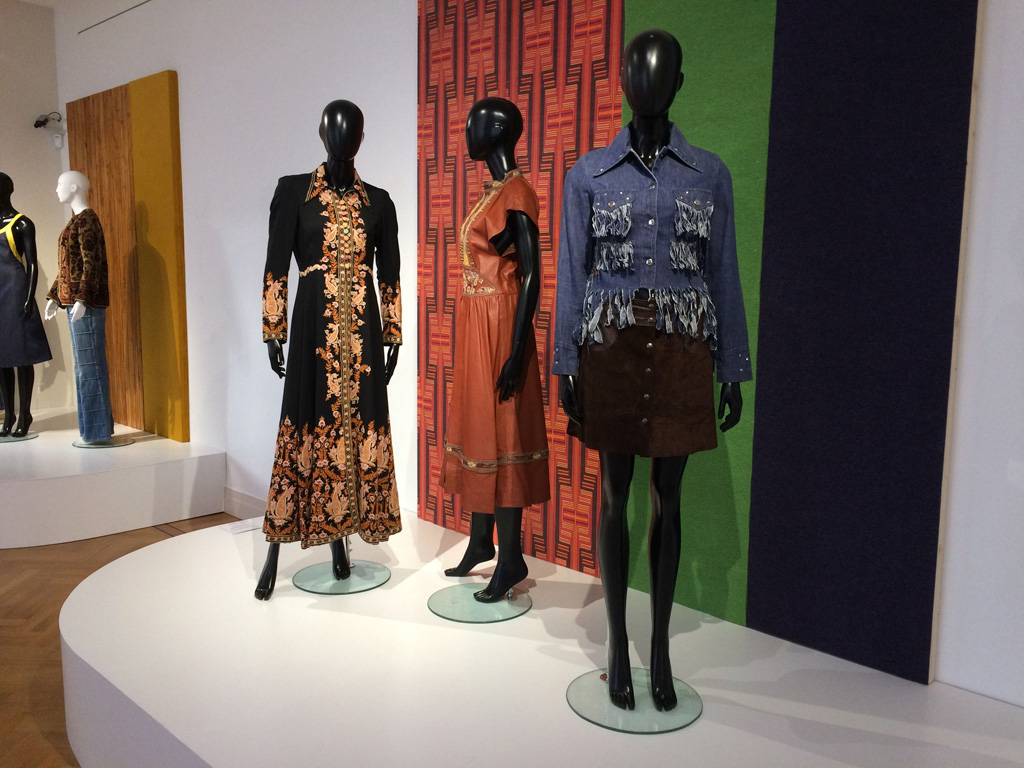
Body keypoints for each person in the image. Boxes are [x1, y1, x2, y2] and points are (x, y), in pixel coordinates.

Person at [553, 30, 752, 711]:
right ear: (623, 82)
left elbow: (722, 271)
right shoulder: (587, 175)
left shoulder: (708, 174)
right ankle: (617, 645)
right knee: (615, 496)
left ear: (679, 84)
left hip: (681, 352)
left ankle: (660, 646)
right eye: (637, 70)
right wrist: (566, 362)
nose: (648, 82)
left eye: (661, 72)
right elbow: (572, 274)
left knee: (670, 498)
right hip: (609, 349)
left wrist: (732, 366)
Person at [255, 100, 402, 600]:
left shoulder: (378, 201)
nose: (344, 138)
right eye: (335, 129)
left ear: (362, 138)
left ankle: (342, 541)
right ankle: (275, 549)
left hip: (363, 337)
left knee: (357, 427)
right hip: (312, 332)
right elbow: (276, 262)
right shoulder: (294, 191)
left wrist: (393, 334)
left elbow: (389, 274)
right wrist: (273, 327)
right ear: (321, 134)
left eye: (353, 130)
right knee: (302, 420)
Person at [440, 97, 550, 603]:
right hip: (478, 321)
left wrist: (517, 348)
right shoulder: (497, 192)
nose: (468, 130)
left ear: (500, 130)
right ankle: (482, 541)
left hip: (501, 323)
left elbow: (532, 274)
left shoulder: (517, 192)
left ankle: (511, 558)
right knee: (480, 429)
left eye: (476, 123)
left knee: (503, 434)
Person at [44, 171, 114, 444]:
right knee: (85, 368)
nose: (56, 189)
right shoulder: (76, 221)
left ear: (74, 187)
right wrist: (54, 297)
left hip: (86, 305)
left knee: (90, 368)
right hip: (76, 304)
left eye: (60, 184)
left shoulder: (87, 222)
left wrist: (83, 299)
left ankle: (96, 432)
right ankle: (93, 431)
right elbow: (68, 266)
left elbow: (91, 264)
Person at [0, 172, 52, 438]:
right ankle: (8, 415)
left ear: (6, 190)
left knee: (21, 355)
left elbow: (31, 263)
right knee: (2, 359)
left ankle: (25, 414)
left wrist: (29, 297)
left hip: (15, 291)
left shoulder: (22, 224)